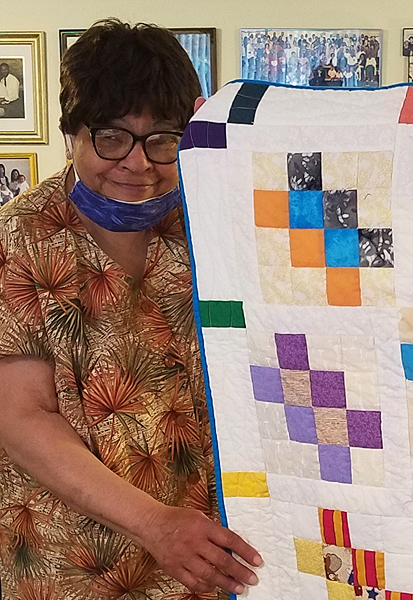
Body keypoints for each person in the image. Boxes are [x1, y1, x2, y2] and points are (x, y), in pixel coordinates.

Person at [0, 19, 262, 600]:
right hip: (74, 559)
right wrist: (153, 524)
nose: (138, 164)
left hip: (204, 553)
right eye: (112, 137)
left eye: (163, 139)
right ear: (72, 132)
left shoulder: (207, 227)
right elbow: (21, 420)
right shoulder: (21, 237)